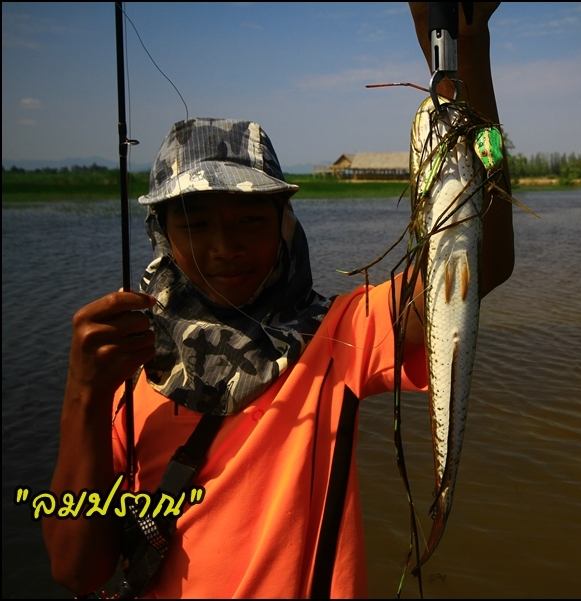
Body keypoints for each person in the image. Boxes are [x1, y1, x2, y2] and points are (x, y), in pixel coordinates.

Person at [43, 2, 513, 598]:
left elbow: (477, 264)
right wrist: (83, 394)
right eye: (196, 224)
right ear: (163, 232)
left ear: (284, 225)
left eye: (248, 221)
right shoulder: (126, 359)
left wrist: (465, 48)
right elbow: (75, 569)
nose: (224, 248)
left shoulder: (337, 334)